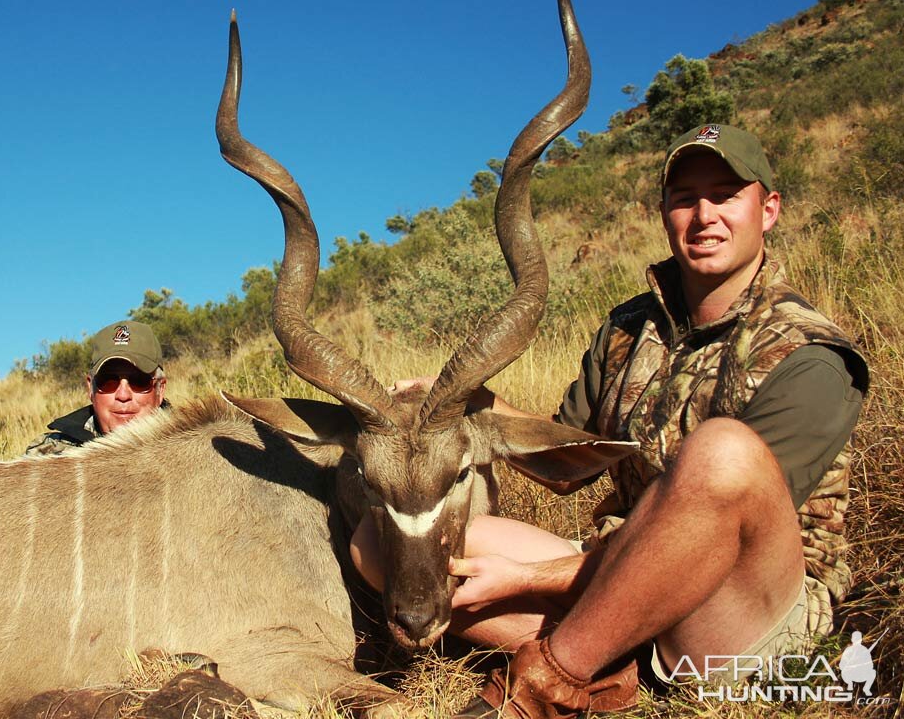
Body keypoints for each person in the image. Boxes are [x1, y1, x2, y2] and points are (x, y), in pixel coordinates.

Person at [357, 124, 868, 718]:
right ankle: (618, 671)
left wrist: (528, 579)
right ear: (664, 212)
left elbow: (713, 547)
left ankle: (551, 682)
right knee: (378, 544)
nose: (704, 215)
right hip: (617, 562)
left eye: (726, 194)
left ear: (768, 208)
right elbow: (566, 464)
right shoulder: (629, 329)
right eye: (684, 198)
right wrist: (462, 403)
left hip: (745, 611)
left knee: (724, 452)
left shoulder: (811, 355)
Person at [25, 320, 170, 456]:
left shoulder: (187, 455)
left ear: (160, 389)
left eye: (139, 381)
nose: (123, 395)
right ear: (90, 388)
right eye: (108, 381)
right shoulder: (49, 454)